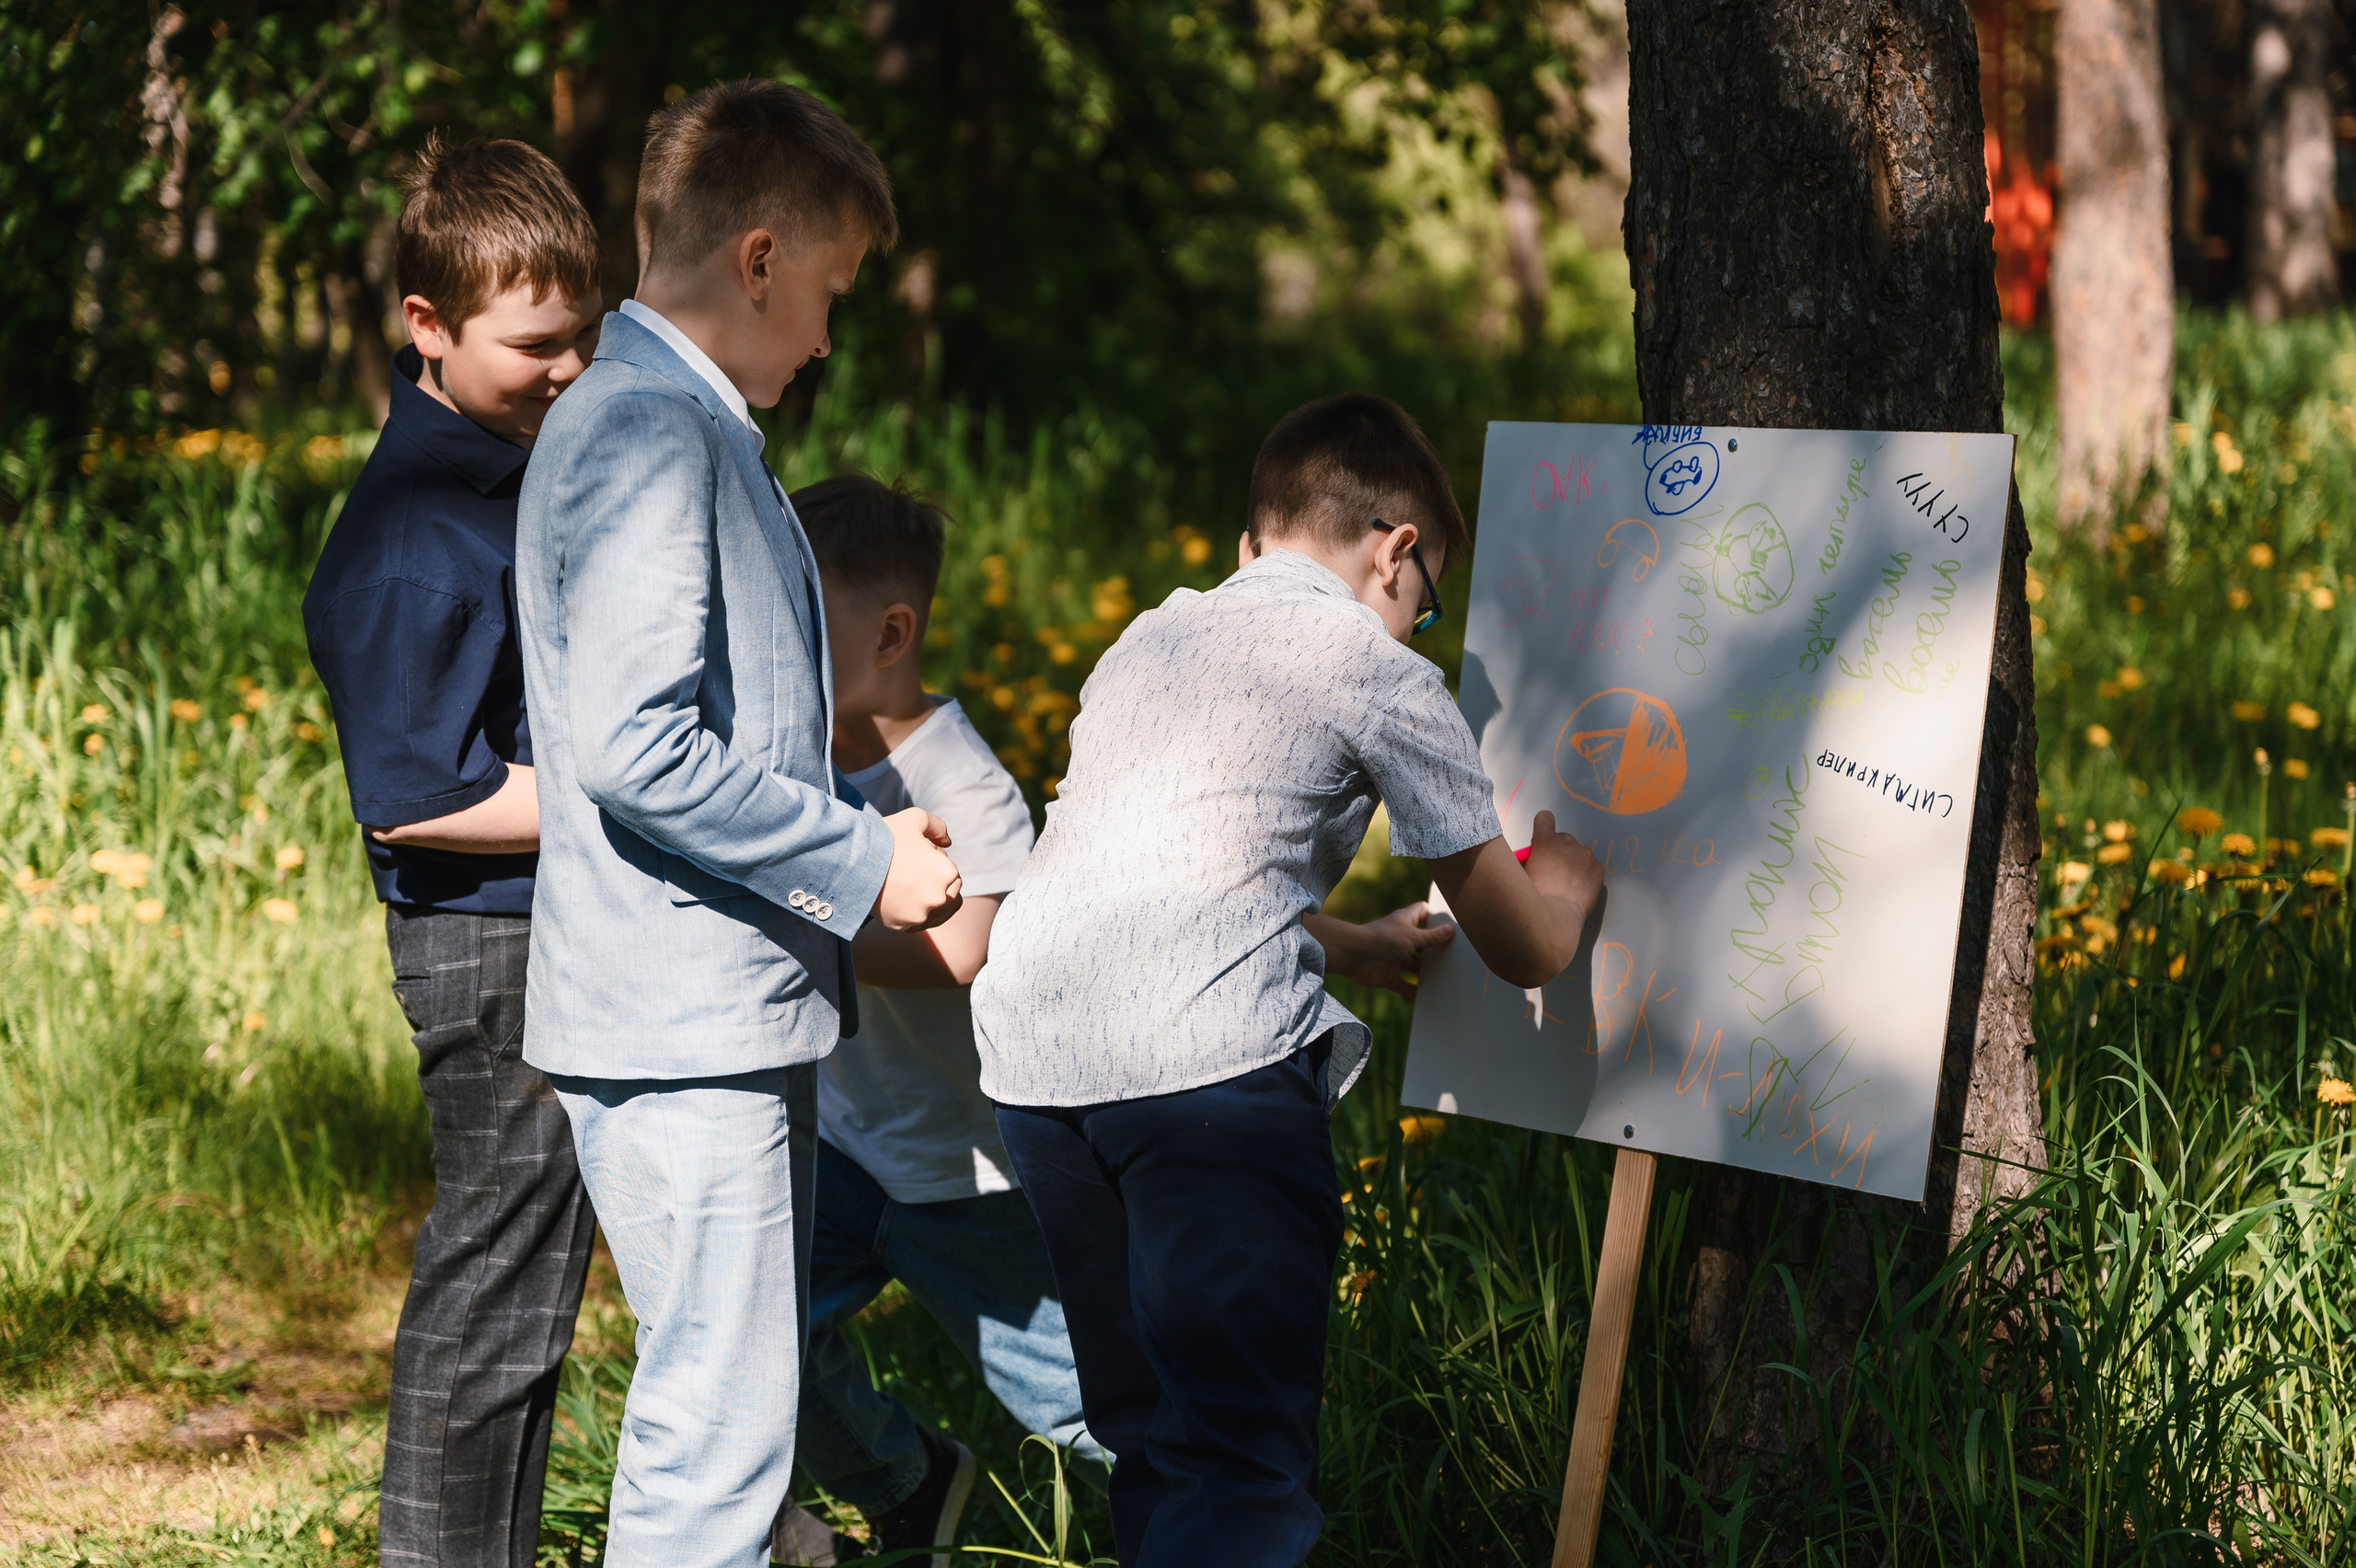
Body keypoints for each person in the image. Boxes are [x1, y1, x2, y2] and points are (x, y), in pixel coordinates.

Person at [969, 393, 1606, 1567]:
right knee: (1243, 1463)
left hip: (1034, 1063)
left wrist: (1350, 946)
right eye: (1428, 601)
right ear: (1394, 551)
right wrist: (1565, 888)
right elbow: (1529, 949)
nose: (1421, 627)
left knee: (1147, 1427)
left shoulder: (1154, 634)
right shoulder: (1375, 667)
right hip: (1206, 1081)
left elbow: (1161, 862)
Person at [513, 83, 964, 1568]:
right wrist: (862, 854)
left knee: (729, 1426)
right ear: (759, 260)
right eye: (830, 292)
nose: (831, 336)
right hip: (681, 1025)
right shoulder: (649, 427)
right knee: (714, 1451)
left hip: (717, 1015)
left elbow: (724, 728)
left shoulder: (676, 422)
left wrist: (853, 823)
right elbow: (637, 745)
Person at [301, 136, 603, 1568]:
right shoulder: (415, 533)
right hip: (490, 944)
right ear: (427, 326)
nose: (565, 368)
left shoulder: (508, 469)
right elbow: (415, 796)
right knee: (497, 1278)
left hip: (549, 923)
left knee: (537, 1277)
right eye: (533, 343)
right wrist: (634, 794)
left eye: (581, 337)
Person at [768, 475, 1103, 1568]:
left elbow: (964, 948)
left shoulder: (958, 776)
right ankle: (905, 1483)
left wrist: (782, 925)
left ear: (890, 633)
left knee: (1076, 1408)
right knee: (764, 1340)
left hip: (969, 1177)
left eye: (789, 615)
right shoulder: (792, 764)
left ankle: (1214, 1514)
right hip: (840, 1142)